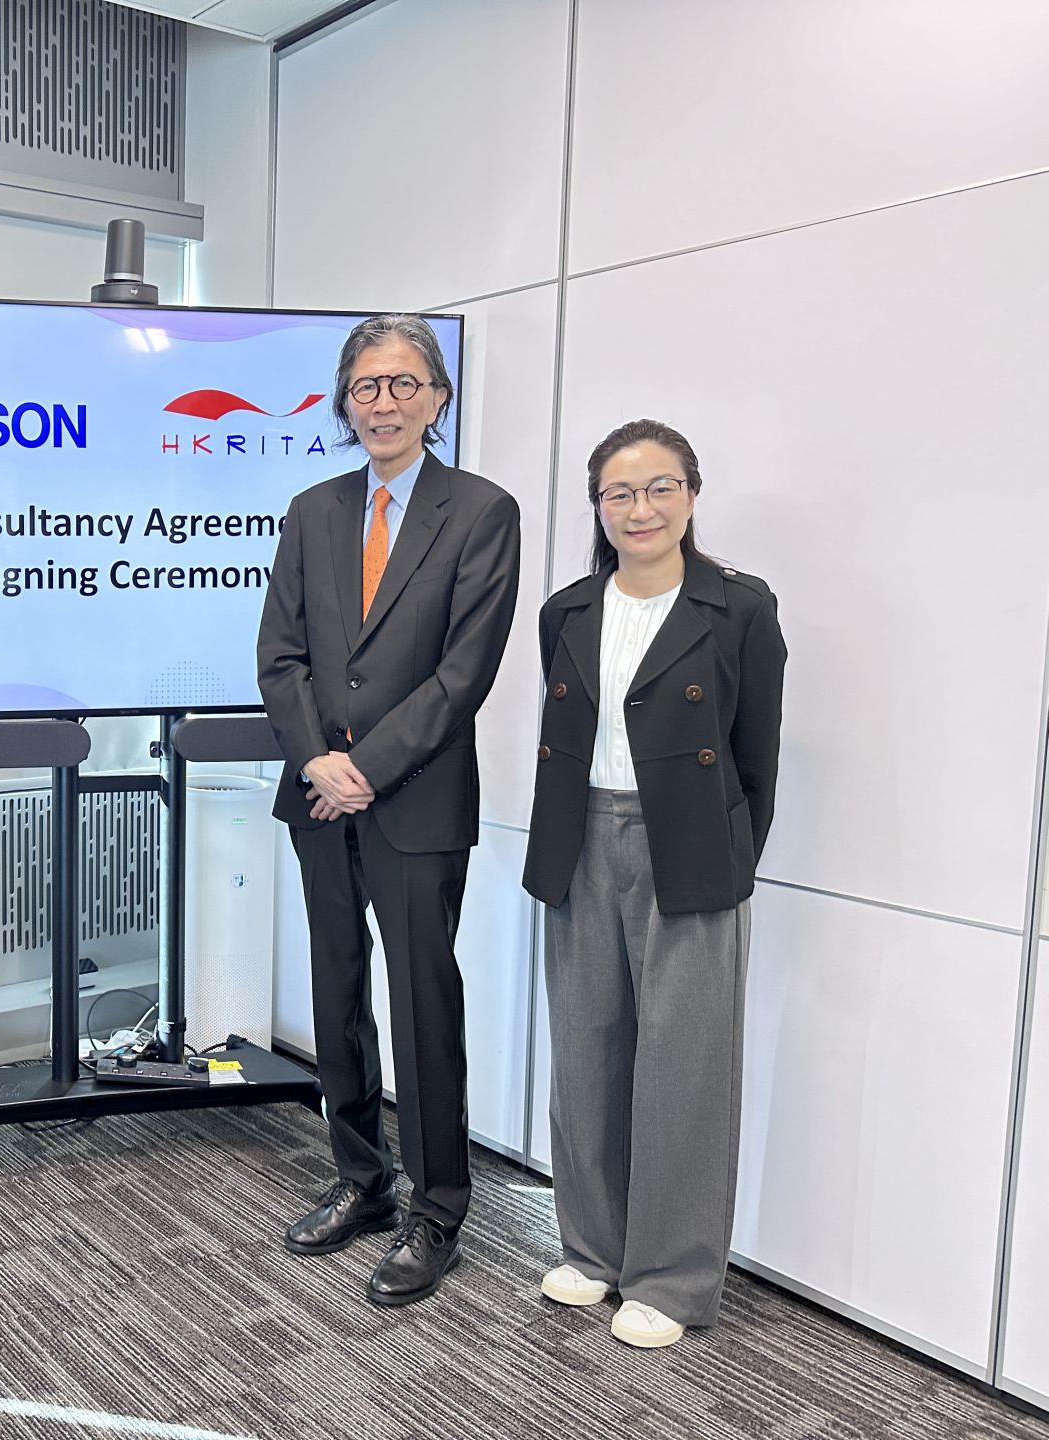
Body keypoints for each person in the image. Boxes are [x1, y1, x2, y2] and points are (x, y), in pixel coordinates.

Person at [257, 314, 520, 1306]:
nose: (384, 402)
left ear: (438, 399)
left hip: (415, 798)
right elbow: (279, 654)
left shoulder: (482, 511)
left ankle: (438, 1204)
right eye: (366, 385)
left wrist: (368, 765)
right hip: (321, 796)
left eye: (404, 384)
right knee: (337, 996)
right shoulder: (312, 509)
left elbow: (465, 671)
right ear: (344, 400)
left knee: (422, 1005)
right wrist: (321, 760)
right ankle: (362, 1179)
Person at [521, 418, 785, 1348]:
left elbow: (758, 758)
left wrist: (727, 861)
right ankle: (594, 1252)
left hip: (690, 849)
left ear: (692, 494)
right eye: (620, 493)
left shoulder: (738, 608)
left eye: (660, 487)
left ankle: (671, 1280)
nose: (641, 508)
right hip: (580, 838)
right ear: (599, 506)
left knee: (685, 1064)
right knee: (586, 1050)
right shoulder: (567, 611)